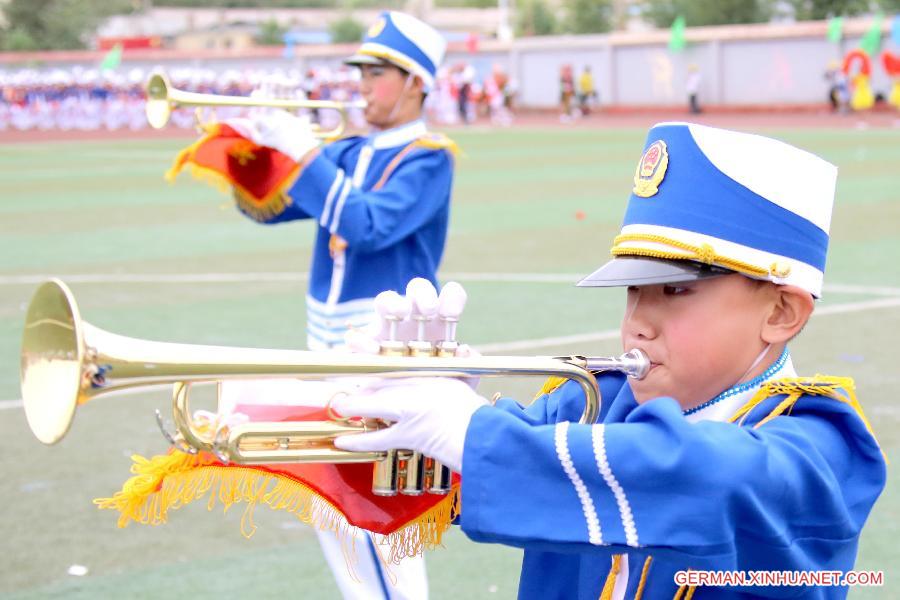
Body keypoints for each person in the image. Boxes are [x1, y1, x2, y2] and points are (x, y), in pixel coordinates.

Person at [330, 123, 887, 598]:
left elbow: (711, 478)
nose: (637, 321)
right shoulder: (596, 401)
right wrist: (392, 402)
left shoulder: (821, 448)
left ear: (783, 312)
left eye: (674, 290)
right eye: (632, 292)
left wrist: (472, 431)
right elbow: (448, 483)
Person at [225, 10, 455, 599]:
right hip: (326, 346)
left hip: (385, 353)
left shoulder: (429, 158)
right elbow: (265, 209)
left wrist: (303, 151)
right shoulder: (351, 152)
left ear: (415, 84)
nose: (362, 85)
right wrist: (252, 147)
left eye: (377, 72)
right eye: (362, 71)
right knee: (331, 503)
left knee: (381, 513)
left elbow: (367, 224)